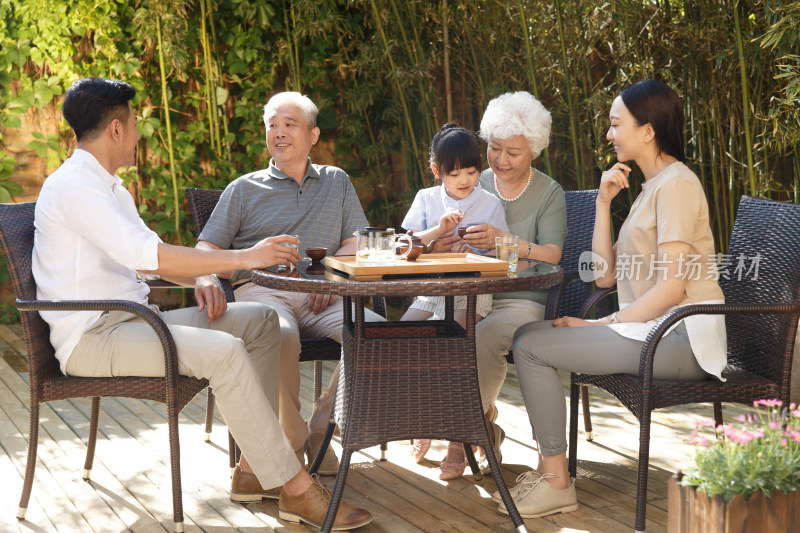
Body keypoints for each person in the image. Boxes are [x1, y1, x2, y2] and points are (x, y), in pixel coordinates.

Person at [31, 77, 372, 530]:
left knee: (262, 321)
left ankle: (253, 470)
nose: (137, 135)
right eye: (133, 125)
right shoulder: (76, 187)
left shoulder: (108, 187)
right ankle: (295, 489)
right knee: (226, 353)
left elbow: (149, 260)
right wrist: (246, 257)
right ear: (115, 130)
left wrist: (205, 275)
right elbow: (150, 256)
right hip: (95, 337)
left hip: (135, 322)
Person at [504, 80, 726, 519]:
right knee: (528, 334)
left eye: (615, 124)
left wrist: (599, 325)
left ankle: (555, 482)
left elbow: (673, 288)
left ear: (647, 130)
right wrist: (604, 202)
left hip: (683, 336)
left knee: (530, 346)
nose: (609, 134)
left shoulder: (678, 186)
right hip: (654, 331)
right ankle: (550, 472)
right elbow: (604, 275)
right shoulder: (650, 188)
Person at [195, 91, 384, 484]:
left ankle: (320, 426)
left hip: (325, 294)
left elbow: (358, 241)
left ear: (313, 135)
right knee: (278, 336)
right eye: (272, 125)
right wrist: (203, 275)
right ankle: (290, 437)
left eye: (289, 124)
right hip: (263, 292)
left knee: (377, 335)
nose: (278, 133)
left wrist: (331, 275)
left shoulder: (337, 181)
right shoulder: (244, 188)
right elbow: (207, 247)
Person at [414, 92, 567, 478]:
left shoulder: (549, 194)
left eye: (512, 152)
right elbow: (423, 236)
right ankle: (475, 422)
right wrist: (440, 246)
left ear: (534, 150)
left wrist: (506, 241)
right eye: (494, 149)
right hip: (460, 289)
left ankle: (457, 437)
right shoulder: (468, 178)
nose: (500, 160)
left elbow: (552, 254)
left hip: (520, 297)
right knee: (421, 330)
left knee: (479, 337)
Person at [400, 123, 509, 479]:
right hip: (432, 291)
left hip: (472, 292)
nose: (464, 180)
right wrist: (437, 234)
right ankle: (423, 419)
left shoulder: (489, 203)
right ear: (437, 171)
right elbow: (404, 248)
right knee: (401, 339)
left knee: (454, 348)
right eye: (455, 172)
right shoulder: (427, 199)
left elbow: (501, 257)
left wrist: (477, 247)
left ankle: (456, 441)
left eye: (472, 171)